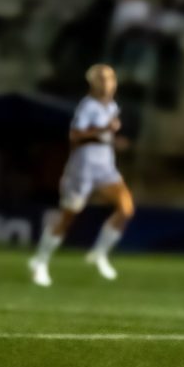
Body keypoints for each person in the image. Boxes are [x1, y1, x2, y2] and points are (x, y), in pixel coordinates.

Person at [28, 64, 134, 287]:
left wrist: (115, 141)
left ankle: (99, 253)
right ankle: (40, 261)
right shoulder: (88, 106)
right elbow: (75, 136)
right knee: (69, 215)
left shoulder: (112, 106)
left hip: (105, 167)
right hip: (83, 168)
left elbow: (104, 136)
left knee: (126, 208)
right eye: (103, 79)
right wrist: (103, 130)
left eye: (111, 79)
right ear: (94, 83)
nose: (108, 84)